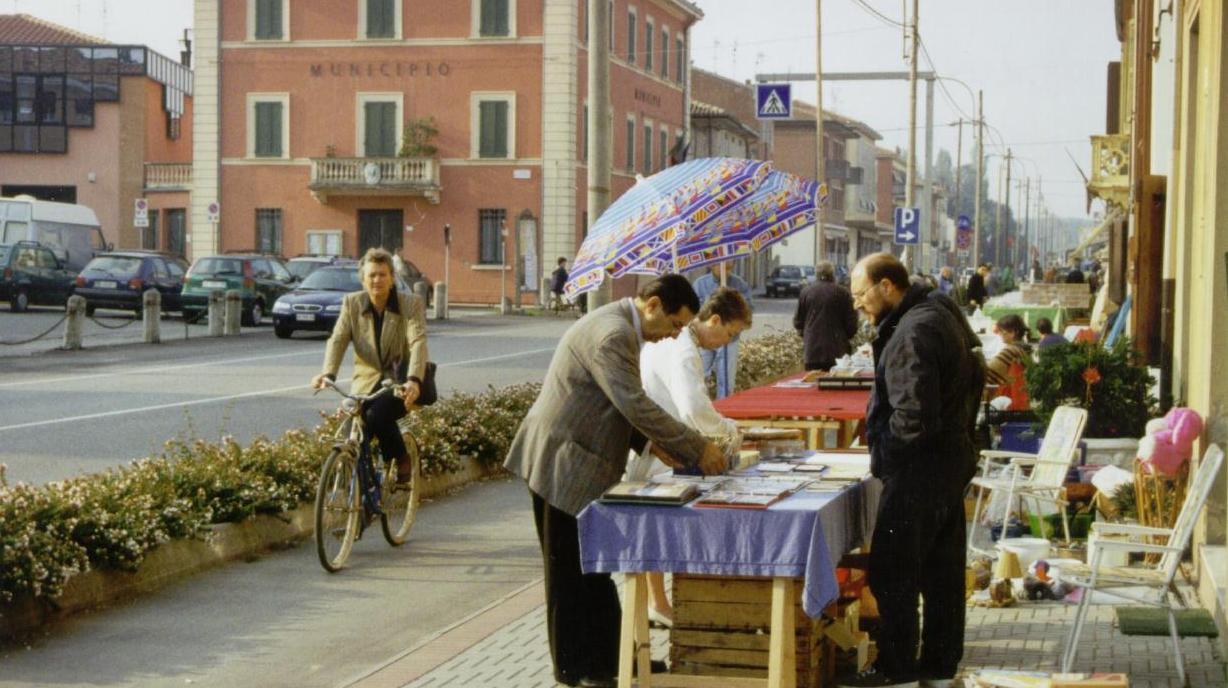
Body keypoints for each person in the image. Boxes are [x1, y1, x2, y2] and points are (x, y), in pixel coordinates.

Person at [504, 275, 728, 688]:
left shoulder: (622, 327)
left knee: (595, 568)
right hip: (561, 460)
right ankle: (576, 670)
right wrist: (696, 448)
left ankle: (613, 658)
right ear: (654, 305)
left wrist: (647, 443)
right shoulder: (613, 334)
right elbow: (633, 403)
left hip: (578, 459)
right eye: (675, 325)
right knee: (569, 572)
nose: (674, 335)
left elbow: (612, 401)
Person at [842, 253, 984, 688]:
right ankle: (939, 669)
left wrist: (886, 453)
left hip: (919, 468)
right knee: (941, 575)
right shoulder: (937, 314)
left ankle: (896, 669)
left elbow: (911, 413)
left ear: (888, 286)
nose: (858, 305)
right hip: (948, 460)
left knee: (894, 572)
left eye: (861, 294)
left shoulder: (913, 332)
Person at [625, 286, 752, 628]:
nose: (727, 342)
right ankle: (658, 604)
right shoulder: (684, 349)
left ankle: (655, 603)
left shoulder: (680, 343)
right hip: (660, 454)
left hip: (655, 447)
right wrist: (728, 429)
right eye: (730, 333)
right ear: (713, 319)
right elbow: (693, 409)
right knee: (654, 531)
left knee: (648, 531)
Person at [312, 248, 428, 484]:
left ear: (392, 278)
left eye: (383, 275)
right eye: (372, 275)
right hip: (364, 382)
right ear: (363, 279)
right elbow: (338, 339)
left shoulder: (410, 304)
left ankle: (400, 456)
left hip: (399, 382)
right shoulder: (352, 303)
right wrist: (328, 373)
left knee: (376, 415)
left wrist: (414, 380)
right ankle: (362, 494)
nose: (377, 280)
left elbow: (417, 342)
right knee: (354, 429)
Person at [692, 263, 754, 398]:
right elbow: (693, 311)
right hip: (706, 336)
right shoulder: (700, 284)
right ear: (713, 266)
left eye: (730, 268)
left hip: (729, 340)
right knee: (700, 374)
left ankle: (724, 406)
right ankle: (703, 401)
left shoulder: (739, 284)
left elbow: (748, 311)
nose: (726, 271)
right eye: (723, 268)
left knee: (726, 379)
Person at [793, 261, 859, 371]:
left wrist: (807, 335)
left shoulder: (806, 292)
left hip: (812, 350)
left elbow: (798, 321)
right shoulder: (843, 292)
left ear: (816, 274)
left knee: (813, 385)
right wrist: (844, 337)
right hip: (838, 350)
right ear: (832, 274)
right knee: (835, 384)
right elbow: (851, 322)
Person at [986, 314, 1033, 411]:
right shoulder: (1023, 348)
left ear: (1013, 332)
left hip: (1012, 401)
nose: (999, 334)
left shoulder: (1011, 350)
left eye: (1001, 331)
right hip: (1020, 398)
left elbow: (989, 370)